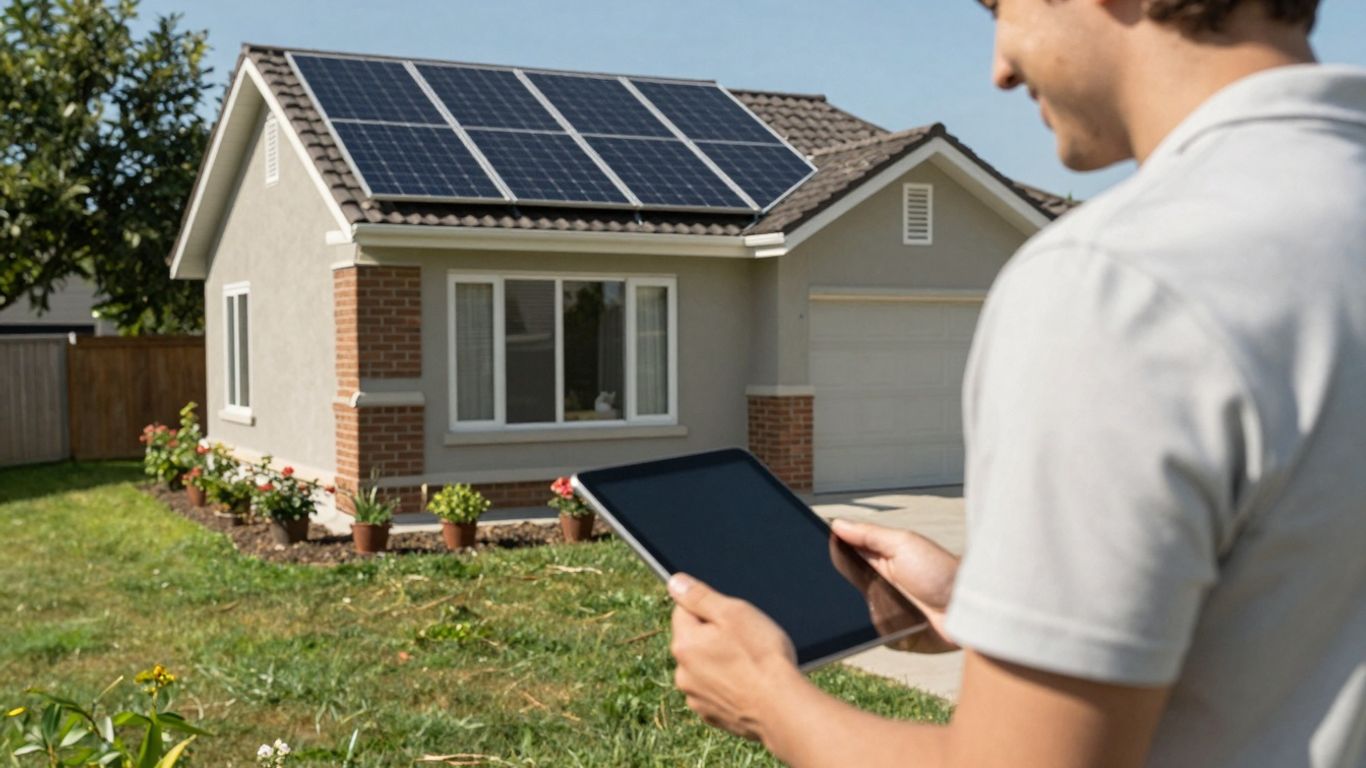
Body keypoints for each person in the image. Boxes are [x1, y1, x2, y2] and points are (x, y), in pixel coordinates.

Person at [667, 0, 1366, 765]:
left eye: (1002, 7)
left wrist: (768, 698)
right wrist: (990, 607)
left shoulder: (1115, 282)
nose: (999, 67)